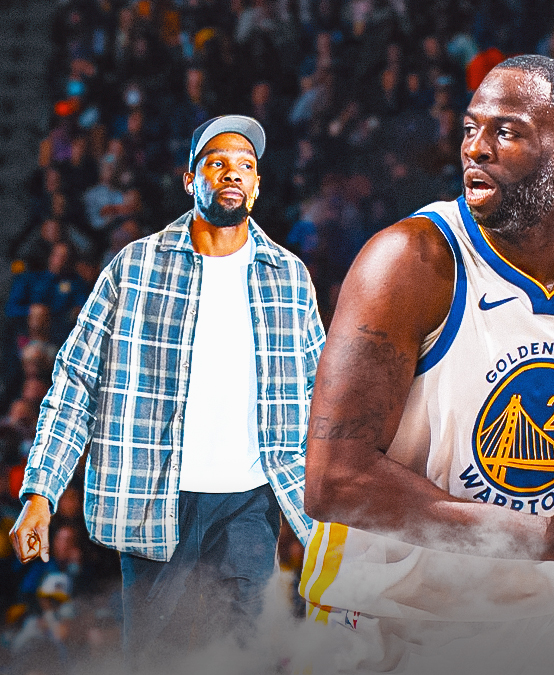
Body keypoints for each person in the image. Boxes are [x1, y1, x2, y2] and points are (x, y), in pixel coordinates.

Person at [297, 54, 554, 673]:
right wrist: (545, 537)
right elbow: (335, 483)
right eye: (469, 129)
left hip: (549, 617)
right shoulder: (408, 263)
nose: (476, 149)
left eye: (506, 132)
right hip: (388, 621)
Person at [8, 115, 325, 668]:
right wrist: (41, 492)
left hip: (250, 509)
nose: (233, 173)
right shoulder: (135, 267)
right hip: (156, 505)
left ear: (257, 184)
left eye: (246, 166)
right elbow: (76, 380)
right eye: (218, 162)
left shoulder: (289, 277)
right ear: (189, 179)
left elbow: (323, 397)